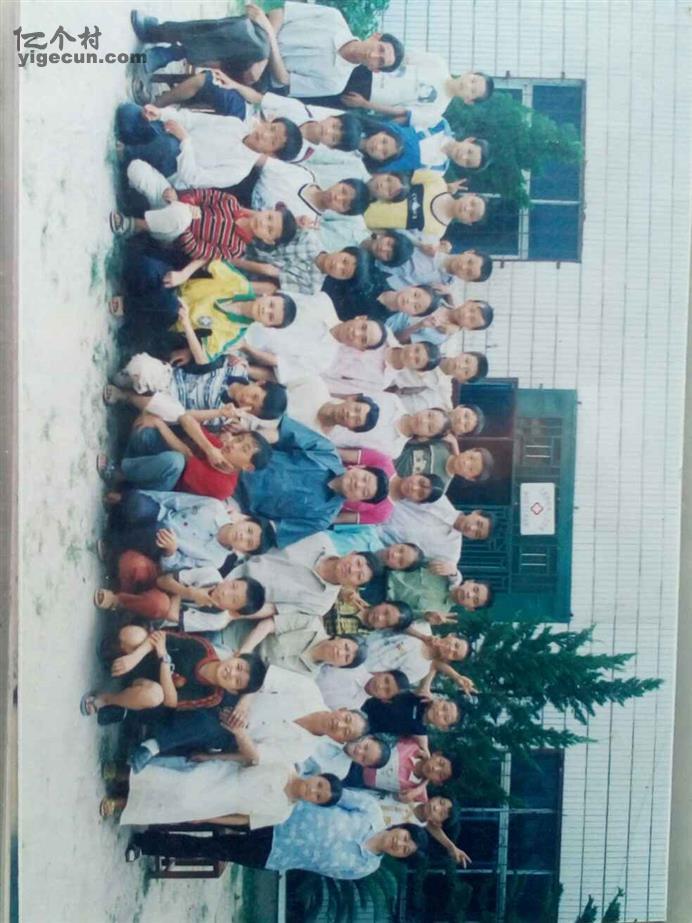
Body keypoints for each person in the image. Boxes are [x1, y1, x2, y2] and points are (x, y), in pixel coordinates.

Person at [126, 789, 428, 879]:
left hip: (275, 855)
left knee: (212, 848)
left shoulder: (365, 868)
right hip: (278, 817)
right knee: (211, 815)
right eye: (405, 838)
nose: (400, 844)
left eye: (404, 850)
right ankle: (151, 815)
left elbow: (321, 869)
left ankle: (146, 843)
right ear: (401, 828)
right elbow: (332, 795)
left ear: (399, 857)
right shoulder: (370, 811)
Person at [234, 417, 393, 547]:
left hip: (236, 502)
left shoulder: (322, 519)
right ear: (359, 467)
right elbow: (281, 434)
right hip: (239, 457)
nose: (358, 484)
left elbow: (274, 531)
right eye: (364, 478)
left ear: (357, 500)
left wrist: (238, 517)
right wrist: (245, 443)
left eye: (364, 491)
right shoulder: (326, 451)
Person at [110, 184, 298, 294]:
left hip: (174, 234)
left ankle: (132, 224)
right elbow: (202, 195)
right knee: (138, 170)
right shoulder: (231, 203)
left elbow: (197, 249)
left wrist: (186, 221)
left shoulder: (235, 247)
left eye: (269, 230)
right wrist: (182, 202)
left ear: (268, 240)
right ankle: (128, 196)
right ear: (267, 210)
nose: (264, 223)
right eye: (269, 217)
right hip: (176, 205)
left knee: (180, 216)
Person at [80, 628, 266, 719]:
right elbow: (160, 636)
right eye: (238, 667)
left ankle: (107, 700)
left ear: (232, 691)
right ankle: (116, 657)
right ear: (235, 656)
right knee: (132, 635)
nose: (232, 673)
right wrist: (134, 658)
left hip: (144, 687)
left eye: (237, 681)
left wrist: (164, 659)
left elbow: (171, 701)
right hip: (143, 659)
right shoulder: (203, 648)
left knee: (154, 695)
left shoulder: (213, 696)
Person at [116, 102, 303, 192]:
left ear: (272, 154)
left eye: (272, 141)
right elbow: (192, 120)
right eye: (271, 128)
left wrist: (185, 141)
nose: (265, 134)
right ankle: (138, 148)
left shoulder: (239, 170)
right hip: (170, 135)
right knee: (128, 112)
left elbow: (191, 178)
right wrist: (160, 113)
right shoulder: (236, 124)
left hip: (174, 167)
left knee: (168, 146)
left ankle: (128, 153)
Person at [107, 759, 342, 828]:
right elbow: (247, 758)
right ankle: (122, 774)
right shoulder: (284, 764)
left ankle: (120, 803)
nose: (313, 790)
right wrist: (211, 757)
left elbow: (242, 819)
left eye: (318, 797)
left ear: (314, 804)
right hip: (223, 775)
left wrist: (209, 818)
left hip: (222, 804)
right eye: (319, 785)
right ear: (318, 775)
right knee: (182, 785)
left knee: (183, 805)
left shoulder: (282, 814)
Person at [97, 416, 272, 498]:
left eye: (244, 449)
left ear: (248, 467)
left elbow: (185, 457)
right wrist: (209, 448)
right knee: (146, 431)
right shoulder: (219, 447)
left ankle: (119, 474)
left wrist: (161, 425)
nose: (235, 444)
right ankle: (128, 466)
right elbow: (186, 419)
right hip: (153, 465)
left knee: (174, 461)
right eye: (239, 439)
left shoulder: (225, 487)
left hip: (158, 490)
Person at [258, 3, 404, 99]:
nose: (373, 55)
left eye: (380, 61)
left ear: (375, 69)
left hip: (261, 72)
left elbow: (283, 79)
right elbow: (281, 12)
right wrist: (267, 42)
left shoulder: (335, 84)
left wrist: (265, 56)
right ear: (375, 36)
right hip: (260, 31)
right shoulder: (333, 17)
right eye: (380, 49)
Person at [228, 531, 384, 619]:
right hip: (235, 553)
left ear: (354, 587)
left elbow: (272, 609)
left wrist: (233, 614)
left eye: (359, 576)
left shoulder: (321, 604)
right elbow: (270, 535)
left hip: (235, 596)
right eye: (358, 563)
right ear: (352, 553)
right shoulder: (319, 539)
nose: (352, 570)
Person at [339, 57, 494, 125]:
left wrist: (364, 104)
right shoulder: (438, 64)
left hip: (364, 96)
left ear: (468, 101)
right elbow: (402, 59)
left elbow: (400, 112)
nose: (467, 86)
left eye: (472, 91)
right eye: (473, 80)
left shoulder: (436, 113)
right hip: (368, 70)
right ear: (469, 72)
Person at [129, 8, 273, 77]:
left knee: (258, 47)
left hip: (264, 74)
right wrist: (269, 30)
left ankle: (163, 43)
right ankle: (163, 42)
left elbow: (282, 79)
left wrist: (268, 53)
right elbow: (277, 14)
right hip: (261, 39)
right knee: (249, 35)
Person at [237, 236, 372, 297]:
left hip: (249, 277)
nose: (337, 266)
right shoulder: (309, 238)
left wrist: (233, 263)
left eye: (343, 272)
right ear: (343, 250)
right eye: (344, 261)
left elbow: (269, 273)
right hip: (247, 243)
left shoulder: (312, 287)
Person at [365, 171, 487, 239]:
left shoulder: (437, 233)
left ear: (468, 222)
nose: (467, 208)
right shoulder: (436, 181)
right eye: (472, 203)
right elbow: (394, 174)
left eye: (471, 214)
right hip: (363, 193)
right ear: (470, 194)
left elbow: (394, 236)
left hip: (363, 223)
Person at [363, 620, 473, 689]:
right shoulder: (423, 626)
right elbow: (395, 620)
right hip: (361, 637)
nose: (451, 649)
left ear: (449, 660)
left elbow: (386, 679)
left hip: (361, 667)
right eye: (456, 645)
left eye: (454, 654)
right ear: (452, 635)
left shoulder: (421, 671)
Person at [379, 497, 494, 563]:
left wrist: (455, 575)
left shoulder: (451, 554)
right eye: (478, 523)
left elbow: (450, 579)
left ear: (473, 539)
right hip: (375, 510)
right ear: (477, 512)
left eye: (476, 533)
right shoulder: (439, 499)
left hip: (376, 544)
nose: (472, 528)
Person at [330, 399, 451, 459]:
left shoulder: (394, 450)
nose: (423, 421)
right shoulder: (392, 400)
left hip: (327, 438)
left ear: (425, 438)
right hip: (327, 409)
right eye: (429, 415)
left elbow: (349, 454)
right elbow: (350, 398)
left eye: (429, 427)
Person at [323, 335, 440, 398]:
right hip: (324, 342)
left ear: (417, 370)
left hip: (322, 371)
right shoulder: (383, 335)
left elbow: (339, 387)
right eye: (416, 350)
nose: (411, 355)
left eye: (416, 360)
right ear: (415, 343)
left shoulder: (382, 382)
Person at [349, 737, 455, 801]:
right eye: (440, 762)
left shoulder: (417, 793)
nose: (435, 768)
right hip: (358, 751)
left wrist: (421, 786)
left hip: (356, 780)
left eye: (440, 775)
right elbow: (421, 728)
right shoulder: (413, 744)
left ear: (438, 782)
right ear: (437, 754)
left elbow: (427, 820)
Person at [385, 241, 494, 290]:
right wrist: (420, 244)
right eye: (469, 261)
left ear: (466, 280)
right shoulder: (434, 243)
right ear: (469, 252)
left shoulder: (441, 288)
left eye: (468, 273)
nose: (463, 267)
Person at [390, 299, 494, 347]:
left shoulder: (438, 337)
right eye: (471, 309)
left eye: (471, 320)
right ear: (469, 301)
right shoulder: (441, 298)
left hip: (386, 326)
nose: (466, 315)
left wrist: (419, 325)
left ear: (469, 329)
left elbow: (397, 339)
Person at [388, 569, 493, 615]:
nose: (469, 594)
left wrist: (425, 616)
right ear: (470, 581)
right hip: (386, 570)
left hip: (383, 600)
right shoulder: (446, 571)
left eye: (475, 600)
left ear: (470, 609)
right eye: (475, 589)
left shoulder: (440, 614)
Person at [362, 690, 462, 737]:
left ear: (443, 727)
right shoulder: (420, 697)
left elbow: (423, 743)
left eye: (445, 718)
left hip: (364, 725)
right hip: (365, 699)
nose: (439, 713)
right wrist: (456, 677)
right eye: (444, 707)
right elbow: (434, 665)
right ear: (441, 700)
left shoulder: (420, 731)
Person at [317, 666, 411, 711]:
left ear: (385, 700)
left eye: (387, 691)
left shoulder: (353, 708)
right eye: (386, 680)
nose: (380, 686)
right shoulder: (354, 665)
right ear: (382, 672)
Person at [301, 734, 392, 779]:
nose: (359, 751)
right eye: (365, 747)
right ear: (368, 737)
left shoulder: (340, 772)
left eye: (363, 758)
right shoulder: (343, 727)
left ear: (363, 765)